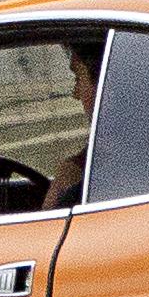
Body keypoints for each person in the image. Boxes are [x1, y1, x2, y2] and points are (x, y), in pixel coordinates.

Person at [44, 37, 101, 206]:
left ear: (103, 85)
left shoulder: (86, 179)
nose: (75, 93)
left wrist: (66, 181)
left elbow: (51, 219)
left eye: (78, 78)